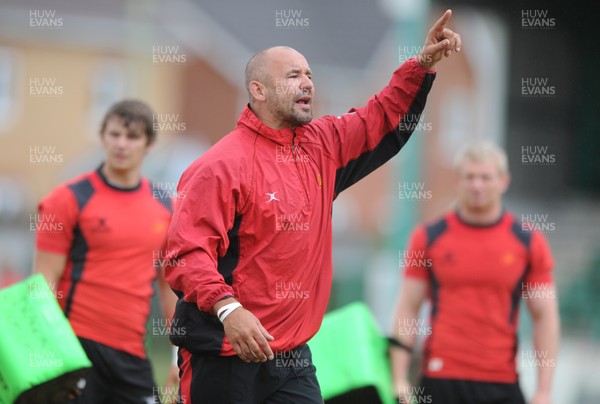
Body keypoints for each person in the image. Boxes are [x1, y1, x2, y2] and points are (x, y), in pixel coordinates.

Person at [164, 10, 460, 403]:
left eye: (309, 76)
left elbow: (381, 117)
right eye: (293, 77)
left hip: (292, 361)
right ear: (258, 90)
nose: (307, 84)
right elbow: (186, 253)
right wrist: (228, 310)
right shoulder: (219, 166)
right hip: (223, 355)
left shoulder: (323, 144)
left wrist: (421, 65)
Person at [390, 141, 560, 404]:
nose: (477, 185)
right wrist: (399, 379)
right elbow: (407, 308)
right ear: (459, 181)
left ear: (504, 181)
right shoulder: (429, 237)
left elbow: (545, 317)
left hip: (501, 382)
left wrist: (544, 390)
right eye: (470, 177)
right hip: (440, 378)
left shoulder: (528, 242)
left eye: (486, 177)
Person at [34, 99, 179, 403]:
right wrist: (49, 352)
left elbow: (170, 289)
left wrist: (178, 355)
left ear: (149, 143)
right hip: (76, 348)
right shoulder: (69, 198)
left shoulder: (166, 207)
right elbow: (43, 284)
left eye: (132, 136)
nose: (121, 144)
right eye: (114, 135)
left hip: (132, 354)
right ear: (102, 138)